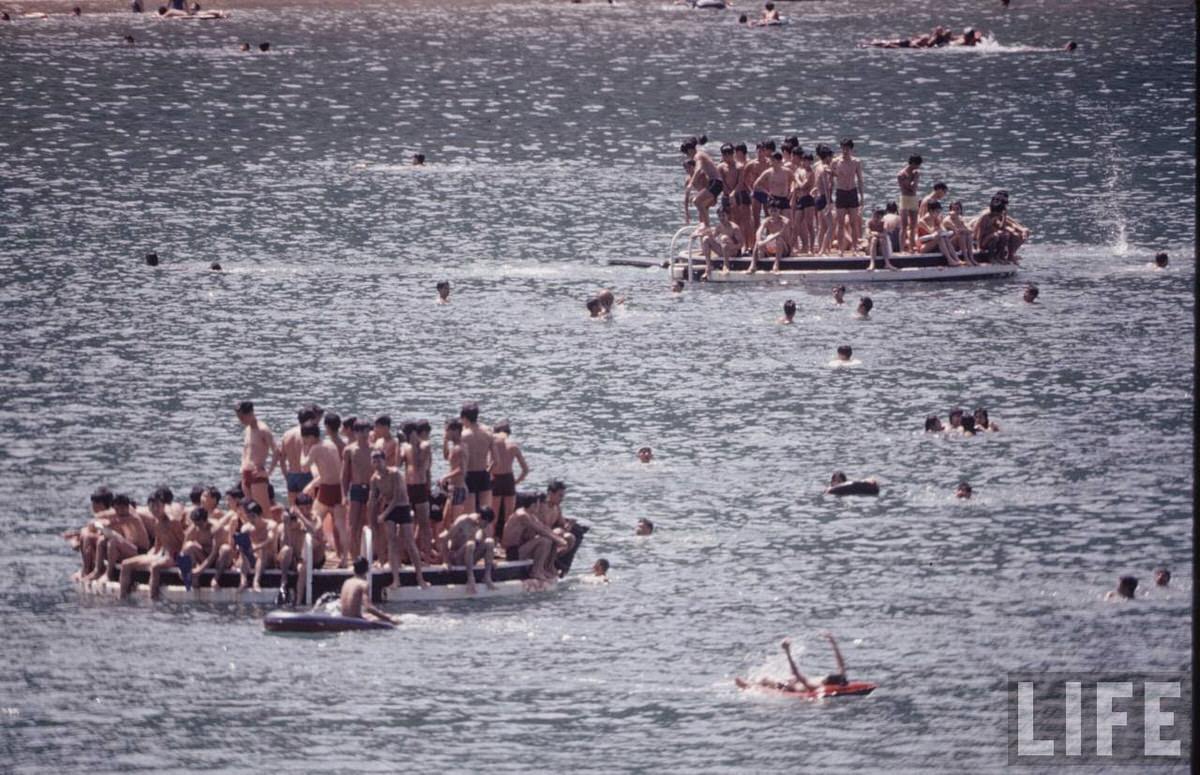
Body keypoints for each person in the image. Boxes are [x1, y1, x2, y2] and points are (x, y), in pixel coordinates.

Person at [368, 449, 428, 589]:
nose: (376, 464)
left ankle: (420, 578)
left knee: (409, 542)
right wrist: (372, 516)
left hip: (402, 507)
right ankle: (396, 579)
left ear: (384, 461)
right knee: (392, 542)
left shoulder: (395, 474)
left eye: (379, 460)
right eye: (374, 461)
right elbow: (373, 498)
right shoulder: (374, 479)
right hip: (389, 509)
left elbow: (397, 497)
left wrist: (383, 514)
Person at [118, 488, 186, 600]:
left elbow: (184, 542)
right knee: (125, 564)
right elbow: (157, 546)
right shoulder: (156, 523)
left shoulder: (173, 522)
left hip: (175, 556)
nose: (155, 509)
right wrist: (146, 556)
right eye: (152, 506)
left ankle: (152, 598)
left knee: (155, 566)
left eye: (158, 506)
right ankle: (122, 598)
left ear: (163, 506)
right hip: (162, 555)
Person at [301, 424, 349, 567]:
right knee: (341, 525)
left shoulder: (315, 448)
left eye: (305, 438)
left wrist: (304, 451)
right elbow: (329, 470)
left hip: (326, 489)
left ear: (311, 437)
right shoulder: (330, 444)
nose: (304, 441)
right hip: (338, 489)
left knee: (313, 519)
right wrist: (313, 484)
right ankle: (345, 559)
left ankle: (311, 554)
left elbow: (304, 467)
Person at [735, 633, 851, 692]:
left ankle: (747, 685)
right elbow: (841, 664)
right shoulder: (841, 678)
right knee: (772, 678)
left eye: (826, 679)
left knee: (765, 679)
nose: (825, 678)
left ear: (827, 683)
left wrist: (787, 652)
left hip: (790, 688)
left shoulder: (815, 686)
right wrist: (833, 642)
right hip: (795, 682)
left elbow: (796, 673)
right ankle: (752, 682)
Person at [500, 495, 567, 581]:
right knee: (545, 541)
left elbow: (544, 528)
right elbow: (539, 530)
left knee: (550, 539)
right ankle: (536, 571)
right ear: (533, 505)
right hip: (512, 552)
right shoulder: (522, 515)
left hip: (521, 548)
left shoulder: (530, 515)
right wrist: (558, 540)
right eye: (538, 505)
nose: (539, 507)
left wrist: (558, 538)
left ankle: (546, 567)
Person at [89, 493, 150, 582]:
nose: (119, 512)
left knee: (113, 542)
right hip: (130, 548)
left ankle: (108, 574)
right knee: (102, 540)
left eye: (121, 509)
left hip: (140, 551)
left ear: (127, 507)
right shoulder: (119, 515)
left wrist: (99, 523)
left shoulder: (133, 518)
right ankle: (97, 570)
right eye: (116, 509)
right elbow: (98, 518)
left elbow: (110, 523)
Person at [401, 419, 437, 562]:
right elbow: (398, 463)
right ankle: (406, 554)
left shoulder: (424, 446)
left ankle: (427, 557)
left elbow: (418, 464)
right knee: (405, 522)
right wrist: (400, 445)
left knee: (424, 523)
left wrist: (414, 444)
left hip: (420, 487)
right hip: (408, 487)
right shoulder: (405, 447)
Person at [235, 401, 278, 518]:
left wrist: (268, 472)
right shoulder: (247, 429)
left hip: (257, 474)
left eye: (242, 417)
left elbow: (276, 451)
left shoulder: (263, 430)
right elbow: (246, 451)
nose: (240, 420)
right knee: (249, 512)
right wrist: (242, 469)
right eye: (239, 417)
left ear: (251, 413)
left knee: (264, 512)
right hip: (245, 474)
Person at [440, 507, 497, 595]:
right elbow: (445, 540)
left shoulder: (482, 526)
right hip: (457, 557)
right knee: (470, 544)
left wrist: (490, 560)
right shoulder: (463, 521)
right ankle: (471, 579)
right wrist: (445, 561)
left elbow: (482, 545)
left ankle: (487, 577)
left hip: (470, 557)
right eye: (485, 523)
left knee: (490, 542)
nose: (486, 526)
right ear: (479, 517)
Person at [489, 419, 529, 540]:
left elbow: (488, 464)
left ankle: (492, 539)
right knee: (509, 516)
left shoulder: (494, 444)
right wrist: (516, 482)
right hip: (508, 480)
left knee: (494, 516)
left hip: (496, 479)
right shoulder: (514, 446)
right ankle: (506, 541)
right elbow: (525, 469)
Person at [342, 420, 375, 560]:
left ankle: (370, 555)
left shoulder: (374, 450)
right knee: (353, 525)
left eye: (366, 431)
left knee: (370, 522)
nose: (364, 434)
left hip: (371, 488)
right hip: (356, 488)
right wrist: (344, 495)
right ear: (355, 433)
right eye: (360, 431)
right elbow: (345, 475)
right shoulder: (349, 450)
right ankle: (354, 557)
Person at [182, 506, 235, 588]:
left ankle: (216, 578)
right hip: (204, 557)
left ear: (206, 520)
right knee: (189, 546)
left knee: (226, 549)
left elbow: (214, 553)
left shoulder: (216, 528)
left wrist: (200, 570)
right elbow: (183, 550)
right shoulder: (194, 527)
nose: (198, 527)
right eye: (196, 524)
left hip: (219, 560)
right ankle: (194, 577)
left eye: (200, 524)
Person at [831, 139, 864, 256]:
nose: (845, 151)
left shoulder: (856, 162)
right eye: (843, 148)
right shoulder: (836, 161)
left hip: (852, 192)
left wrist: (862, 196)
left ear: (851, 149)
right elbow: (831, 179)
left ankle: (855, 248)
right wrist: (829, 196)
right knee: (840, 223)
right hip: (841, 192)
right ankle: (841, 249)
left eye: (847, 148)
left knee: (853, 223)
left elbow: (860, 180)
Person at [340, 556, 398, 622]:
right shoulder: (363, 584)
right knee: (391, 617)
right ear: (367, 569)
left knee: (370, 615)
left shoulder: (346, 582)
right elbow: (368, 607)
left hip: (344, 618)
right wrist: (389, 619)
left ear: (354, 569)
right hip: (355, 621)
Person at [280, 407, 316, 506]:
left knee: (293, 507)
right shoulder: (308, 435)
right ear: (310, 420)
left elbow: (282, 459)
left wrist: (286, 476)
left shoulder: (287, 434)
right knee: (309, 506)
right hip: (306, 474)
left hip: (291, 475)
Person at [682, 136, 722, 227]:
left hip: (716, 182)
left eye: (687, 154)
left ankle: (707, 226)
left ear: (690, 150)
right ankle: (704, 224)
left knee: (697, 201)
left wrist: (691, 184)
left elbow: (698, 169)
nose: (688, 156)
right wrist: (686, 213)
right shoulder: (700, 155)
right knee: (701, 204)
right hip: (713, 183)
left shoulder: (698, 156)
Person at [439, 418, 468, 522]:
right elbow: (446, 456)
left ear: (455, 431)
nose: (445, 432)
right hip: (453, 488)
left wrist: (445, 477)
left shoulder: (459, 448)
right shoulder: (454, 447)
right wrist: (445, 441)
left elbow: (462, 469)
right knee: (445, 521)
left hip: (458, 488)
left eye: (447, 430)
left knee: (455, 522)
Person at [917, 200, 963, 265]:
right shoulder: (922, 221)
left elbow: (943, 230)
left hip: (934, 243)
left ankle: (957, 259)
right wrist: (938, 230)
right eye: (937, 212)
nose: (938, 214)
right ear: (931, 211)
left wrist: (942, 227)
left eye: (939, 212)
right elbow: (931, 232)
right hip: (923, 247)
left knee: (944, 237)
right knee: (939, 237)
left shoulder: (936, 219)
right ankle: (949, 260)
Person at [701, 206, 743, 275]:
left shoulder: (734, 228)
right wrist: (701, 233)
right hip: (723, 250)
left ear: (728, 215)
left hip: (733, 252)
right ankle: (708, 265)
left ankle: (726, 266)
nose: (721, 218)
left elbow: (741, 244)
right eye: (719, 216)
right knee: (706, 239)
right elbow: (712, 236)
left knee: (724, 238)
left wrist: (730, 246)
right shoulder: (719, 226)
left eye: (723, 216)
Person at [749, 205, 790, 273]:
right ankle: (753, 265)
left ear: (779, 211)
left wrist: (764, 242)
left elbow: (779, 233)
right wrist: (759, 241)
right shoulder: (767, 220)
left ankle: (776, 265)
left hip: (784, 248)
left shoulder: (785, 221)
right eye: (771, 211)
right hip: (771, 247)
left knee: (778, 239)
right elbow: (759, 231)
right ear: (768, 211)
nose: (773, 213)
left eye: (775, 211)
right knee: (757, 242)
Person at [896, 155, 922, 252]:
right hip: (905, 198)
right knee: (904, 225)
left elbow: (914, 189)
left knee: (913, 225)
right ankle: (902, 249)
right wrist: (916, 178)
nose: (918, 167)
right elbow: (911, 188)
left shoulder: (915, 173)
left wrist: (916, 177)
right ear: (913, 163)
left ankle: (911, 247)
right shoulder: (902, 174)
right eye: (917, 165)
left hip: (913, 198)